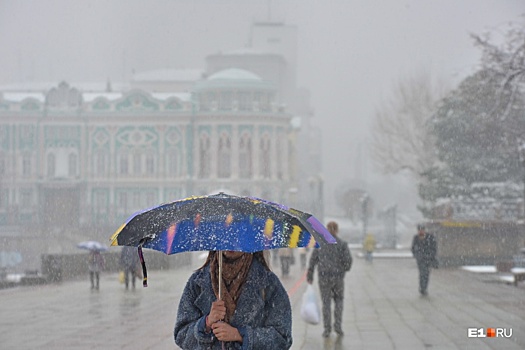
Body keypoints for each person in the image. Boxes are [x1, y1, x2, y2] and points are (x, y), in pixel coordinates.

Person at [174, 250, 293, 349]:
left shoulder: (268, 283)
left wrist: (240, 335)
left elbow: (283, 338)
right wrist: (206, 323)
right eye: (225, 234)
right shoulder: (197, 282)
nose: (231, 243)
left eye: (238, 236)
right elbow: (181, 335)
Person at [307, 221, 353, 338]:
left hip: (324, 277)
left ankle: (327, 329)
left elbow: (313, 260)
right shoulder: (342, 244)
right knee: (339, 301)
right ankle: (338, 326)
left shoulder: (320, 244)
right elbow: (348, 261)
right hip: (337, 278)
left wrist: (310, 275)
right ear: (337, 230)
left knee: (326, 303)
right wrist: (342, 269)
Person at [411, 224, 437, 296]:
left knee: (426, 274)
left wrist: (430, 255)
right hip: (420, 260)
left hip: (428, 259)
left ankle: (424, 288)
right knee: (422, 273)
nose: (421, 231)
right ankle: (422, 288)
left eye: (422, 230)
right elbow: (413, 248)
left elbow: (434, 247)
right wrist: (417, 255)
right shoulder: (416, 238)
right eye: (419, 230)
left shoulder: (430, 237)